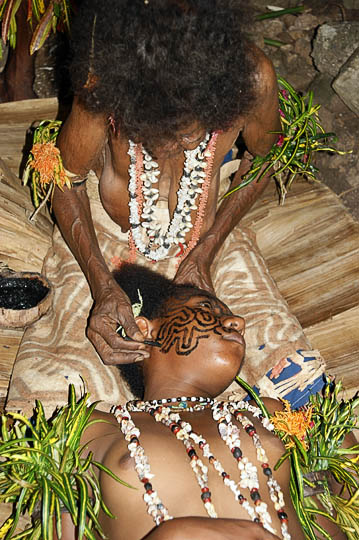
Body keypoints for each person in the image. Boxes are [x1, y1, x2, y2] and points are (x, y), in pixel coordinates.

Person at [7, 0, 325, 415]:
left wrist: (207, 249)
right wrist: (101, 284)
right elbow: (63, 177)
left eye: (196, 130)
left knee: (288, 367)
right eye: (170, 134)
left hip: (209, 235)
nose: (187, 145)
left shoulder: (252, 77)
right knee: (63, 383)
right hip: (106, 237)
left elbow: (268, 155)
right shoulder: (106, 91)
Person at [59, 263, 307, 540]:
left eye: (230, 316)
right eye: (206, 308)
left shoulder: (271, 415)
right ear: (144, 330)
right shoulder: (87, 428)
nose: (237, 322)